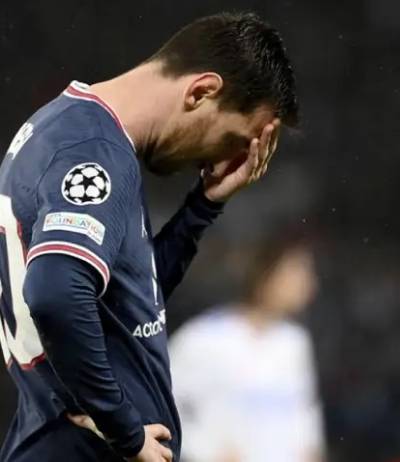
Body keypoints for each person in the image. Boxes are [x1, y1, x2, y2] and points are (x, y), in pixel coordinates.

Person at [0, 12, 298, 462]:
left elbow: (130, 305)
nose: (217, 158)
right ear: (201, 92)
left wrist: (202, 207)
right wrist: (123, 427)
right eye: (231, 138)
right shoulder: (95, 152)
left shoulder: (74, 130)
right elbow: (55, 292)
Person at [168, 235, 325, 462]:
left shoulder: (294, 343)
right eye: (296, 272)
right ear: (265, 273)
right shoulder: (204, 338)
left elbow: (306, 416)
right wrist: (206, 450)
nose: (308, 285)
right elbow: (156, 404)